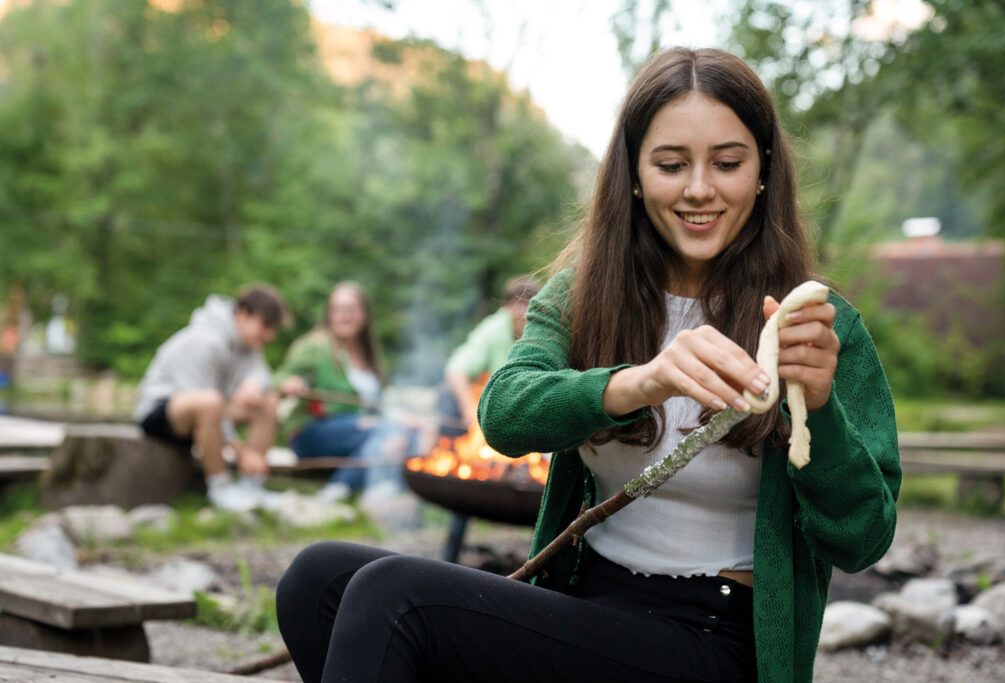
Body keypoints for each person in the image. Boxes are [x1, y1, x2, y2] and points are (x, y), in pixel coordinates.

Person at [275, 47, 901, 682]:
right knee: (315, 579)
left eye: (728, 163)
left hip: (713, 638)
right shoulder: (584, 297)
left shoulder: (816, 326)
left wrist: (817, 409)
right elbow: (505, 415)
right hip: (587, 605)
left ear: (763, 171)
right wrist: (642, 380)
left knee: (393, 595)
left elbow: (862, 538)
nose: (699, 188)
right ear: (632, 173)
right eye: (671, 164)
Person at [134, 284, 290, 512]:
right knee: (210, 401)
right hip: (160, 413)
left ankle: (252, 487)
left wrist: (253, 384)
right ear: (242, 314)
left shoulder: (248, 345)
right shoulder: (203, 340)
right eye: (265, 325)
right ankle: (220, 488)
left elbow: (261, 374)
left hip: (208, 411)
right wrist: (241, 451)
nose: (270, 335)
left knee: (267, 402)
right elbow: (205, 402)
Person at [276, 281, 410, 501]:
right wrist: (290, 383)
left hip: (361, 432)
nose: (343, 316)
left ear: (364, 314)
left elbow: (378, 406)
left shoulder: (369, 355)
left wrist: (404, 420)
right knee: (380, 431)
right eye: (337, 310)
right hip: (311, 430)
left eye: (350, 310)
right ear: (329, 314)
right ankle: (338, 491)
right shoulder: (315, 345)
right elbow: (279, 377)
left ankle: (381, 489)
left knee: (408, 433)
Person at [439, 274, 540, 437]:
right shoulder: (492, 330)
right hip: (495, 408)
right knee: (446, 393)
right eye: (519, 304)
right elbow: (455, 371)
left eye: (531, 303)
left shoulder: (548, 331)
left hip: (529, 406)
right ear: (506, 307)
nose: (525, 311)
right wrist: (469, 409)